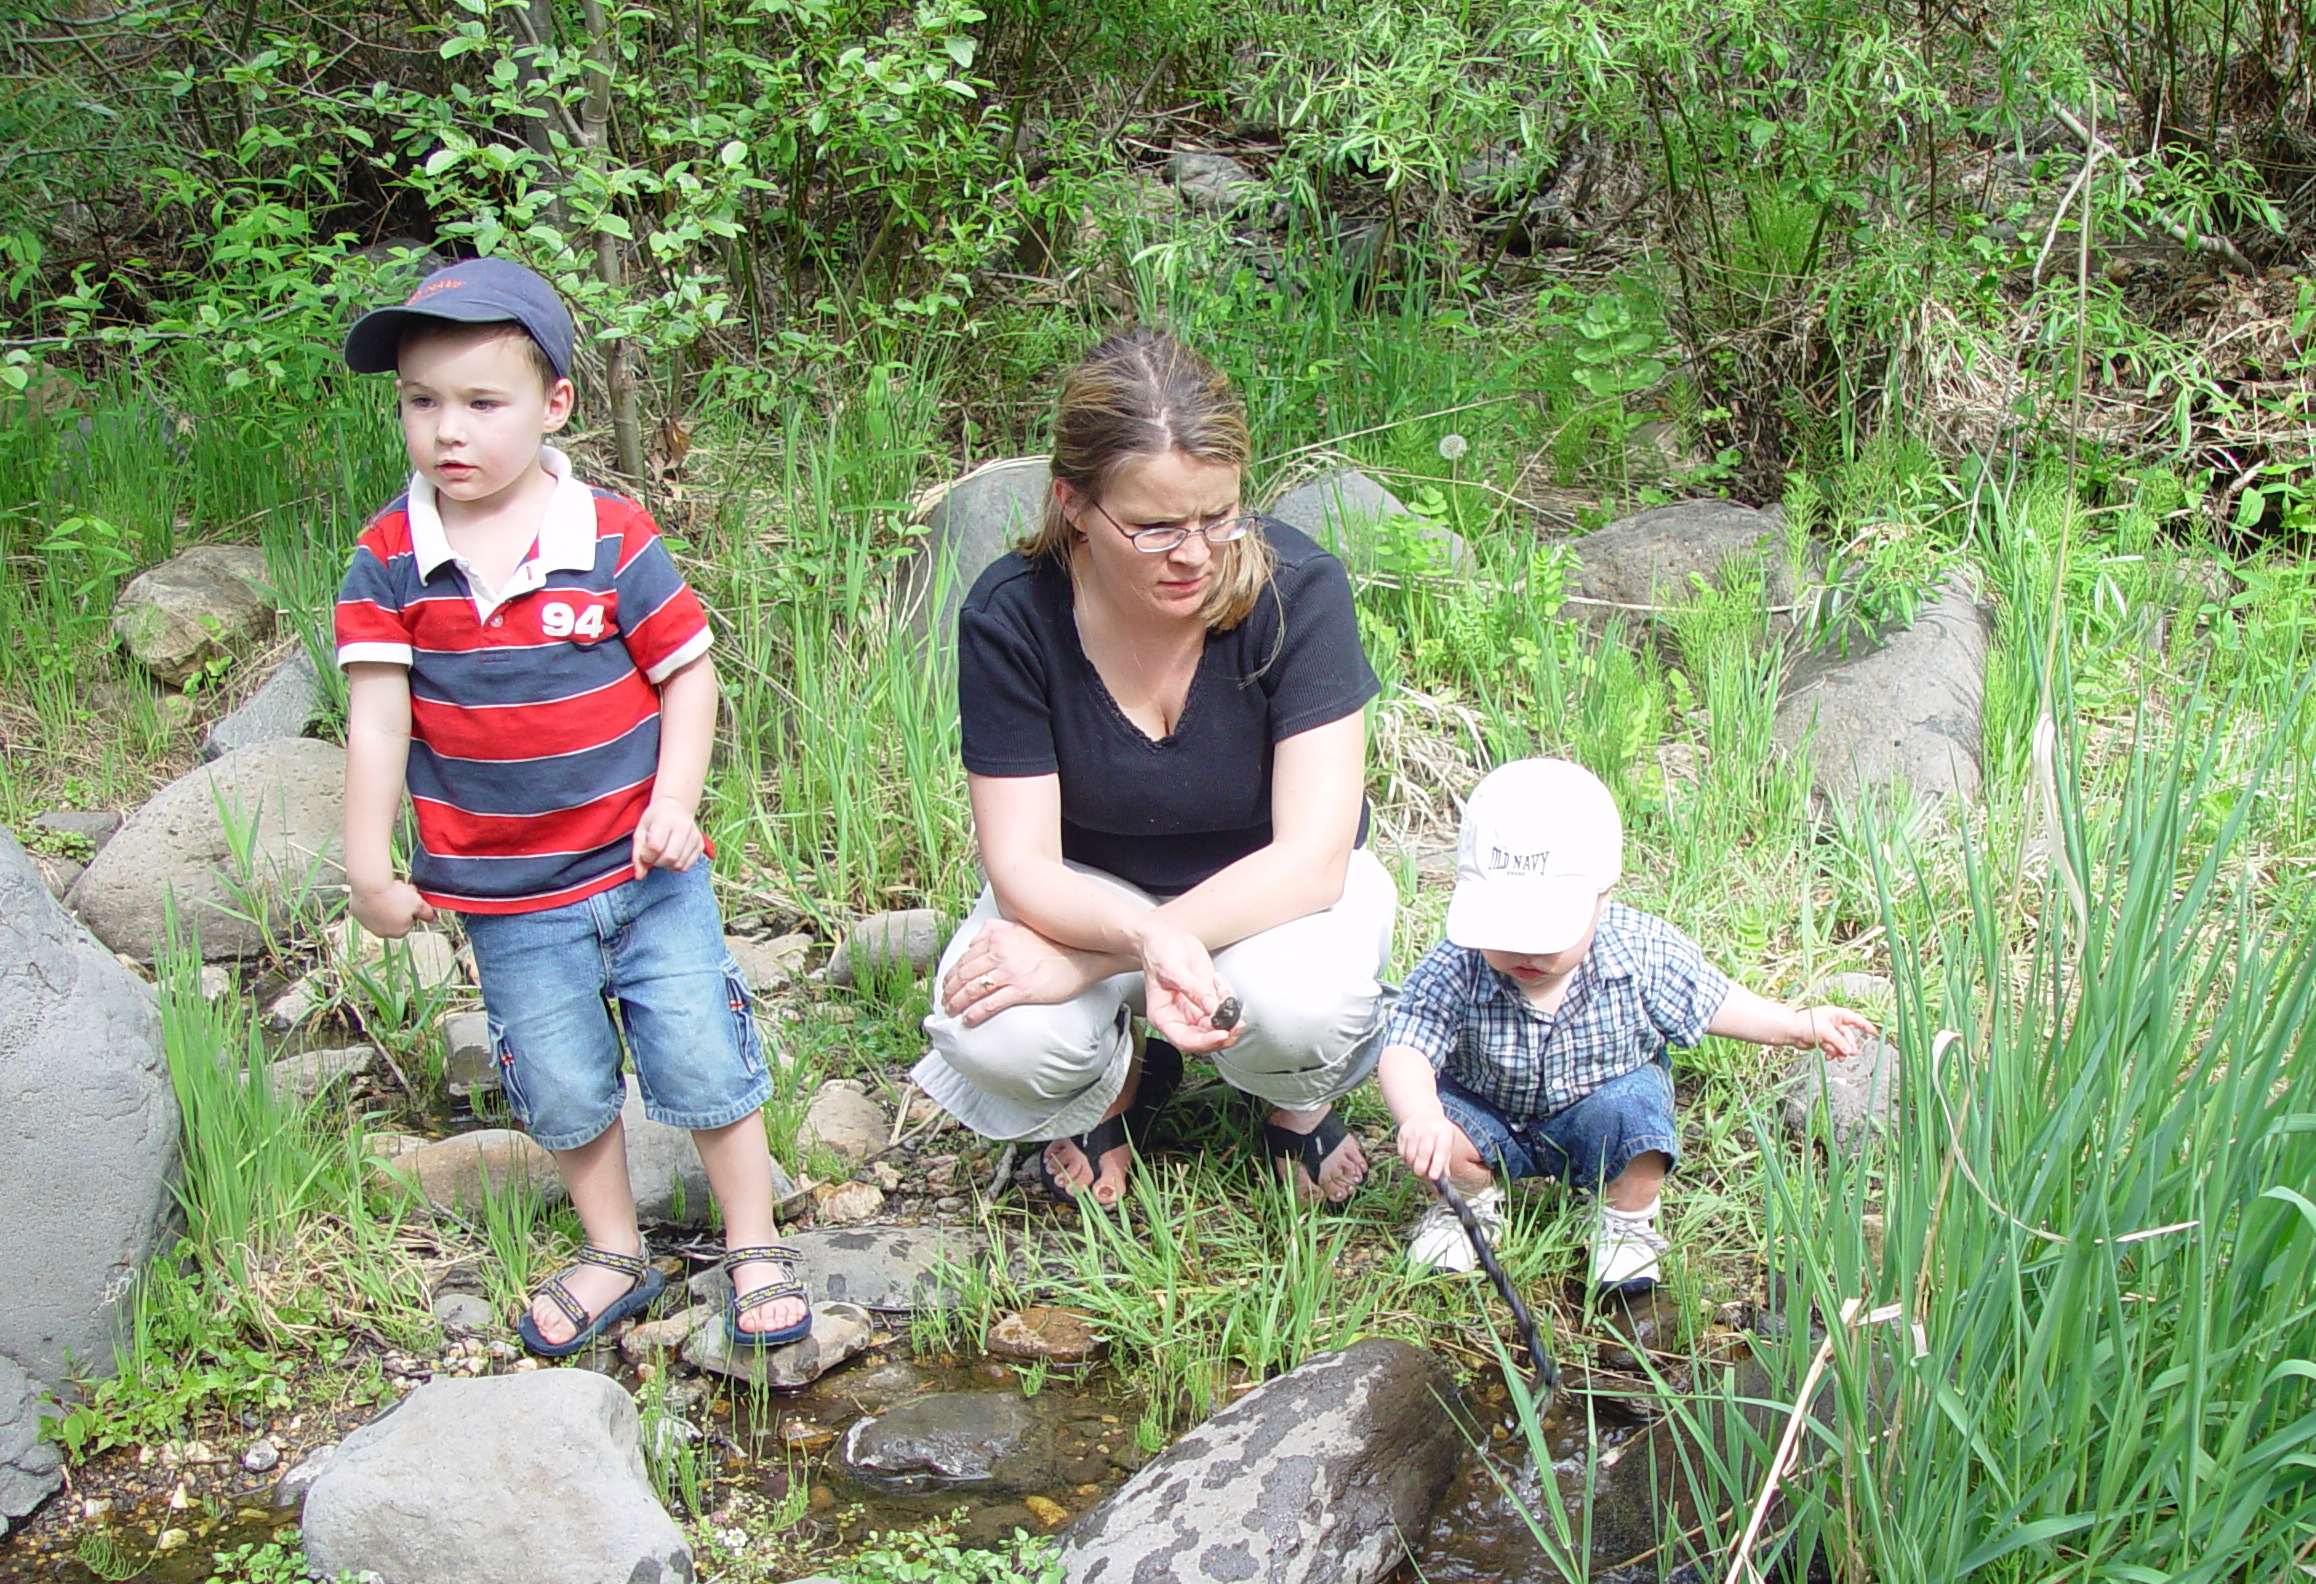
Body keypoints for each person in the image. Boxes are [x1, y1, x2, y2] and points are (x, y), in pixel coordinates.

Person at [333, 257, 810, 1356]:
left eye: (481, 403)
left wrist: (677, 801)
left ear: (553, 404)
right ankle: (612, 1249)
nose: (447, 431)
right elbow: (378, 719)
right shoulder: (391, 559)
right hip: (505, 893)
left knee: (698, 1048)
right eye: (421, 402)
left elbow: (689, 673)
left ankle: (752, 1239)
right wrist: (370, 863)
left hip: (646, 871)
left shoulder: (608, 534)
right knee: (557, 1072)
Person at [912, 330, 1395, 1205]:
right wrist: (1136, 943)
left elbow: (1315, 859)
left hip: (1270, 903)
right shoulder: (1011, 616)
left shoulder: (1301, 591)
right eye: (1154, 526)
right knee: (996, 1036)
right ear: (1072, 505)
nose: (1196, 553)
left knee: (1302, 1011)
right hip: (1087, 897)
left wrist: (1095, 967)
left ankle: (1293, 1104)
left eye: (1219, 515)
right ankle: (1123, 1081)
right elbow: (1020, 864)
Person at [1379, 758, 1878, 1294]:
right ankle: (1468, 1207)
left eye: (1546, 930)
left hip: (1599, 1106)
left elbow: (1711, 1001)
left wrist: (1792, 1024)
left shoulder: (1639, 951)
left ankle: (1625, 1226)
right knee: (1441, 1130)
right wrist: (1421, 1113)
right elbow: (1408, 1044)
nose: (1525, 949)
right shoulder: (1457, 963)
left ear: (1603, 896)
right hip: (1489, 1110)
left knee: (1638, 1119)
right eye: (1504, 927)